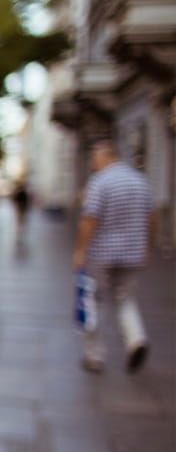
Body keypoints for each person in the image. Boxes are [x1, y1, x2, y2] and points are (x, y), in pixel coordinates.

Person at [73, 139, 156, 374]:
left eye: (94, 158)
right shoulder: (140, 181)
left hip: (102, 253)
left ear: (104, 157)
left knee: (94, 301)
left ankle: (94, 355)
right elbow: (153, 217)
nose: (92, 163)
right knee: (125, 299)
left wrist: (79, 251)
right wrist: (147, 247)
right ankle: (135, 339)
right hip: (133, 252)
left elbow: (90, 219)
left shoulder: (100, 182)